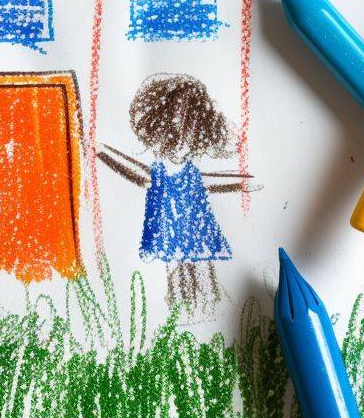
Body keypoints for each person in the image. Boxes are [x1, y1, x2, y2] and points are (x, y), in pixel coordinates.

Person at [98, 73, 253, 318]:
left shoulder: (183, 169)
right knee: (180, 280)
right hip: (172, 230)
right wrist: (102, 151)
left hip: (192, 228)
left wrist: (241, 183)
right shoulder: (162, 170)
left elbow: (206, 181)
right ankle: (189, 315)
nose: (178, 144)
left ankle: (206, 313)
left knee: (202, 277)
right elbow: (141, 175)